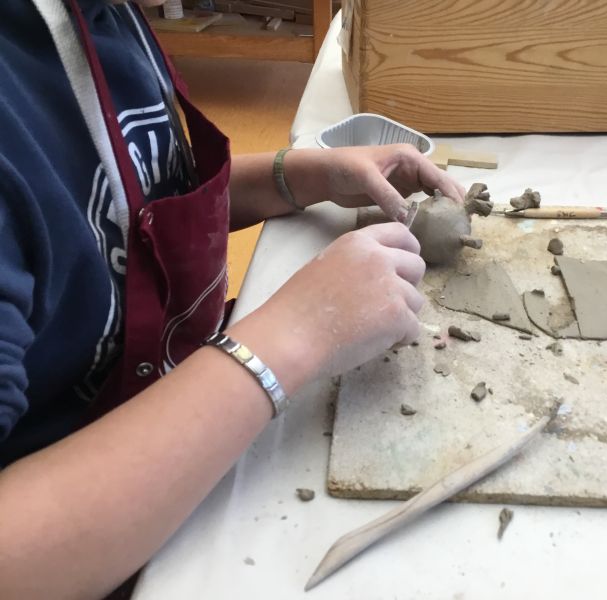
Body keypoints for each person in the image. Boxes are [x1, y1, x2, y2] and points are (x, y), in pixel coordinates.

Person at [0, 0, 464, 597]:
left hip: (180, 390)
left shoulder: (98, 15)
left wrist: (299, 176)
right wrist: (293, 335)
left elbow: (125, 208)